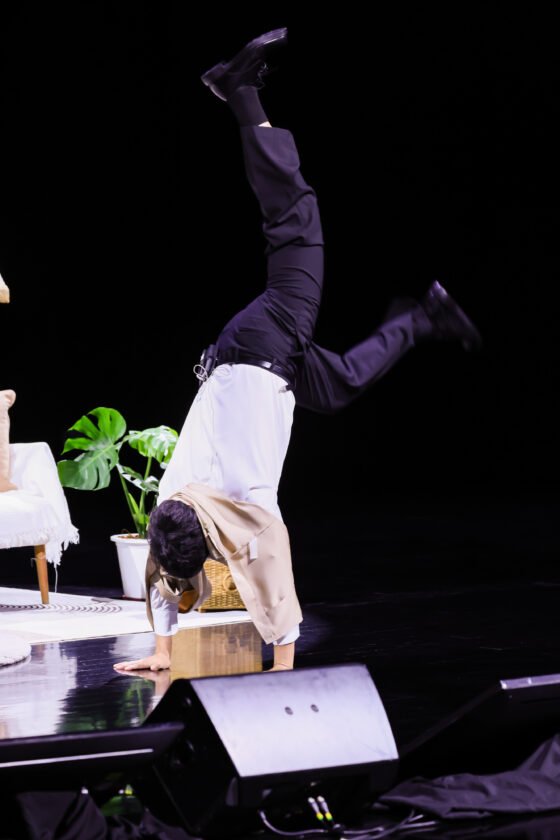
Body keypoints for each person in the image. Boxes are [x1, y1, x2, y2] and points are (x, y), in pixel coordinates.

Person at [114, 27, 481, 675]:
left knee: (296, 222)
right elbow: (165, 569)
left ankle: (239, 91)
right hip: (252, 359)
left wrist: (280, 673)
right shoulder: (179, 502)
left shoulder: (240, 504)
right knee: (338, 386)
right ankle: (425, 316)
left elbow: (273, 590)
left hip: (266, 344)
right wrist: (161, 653)